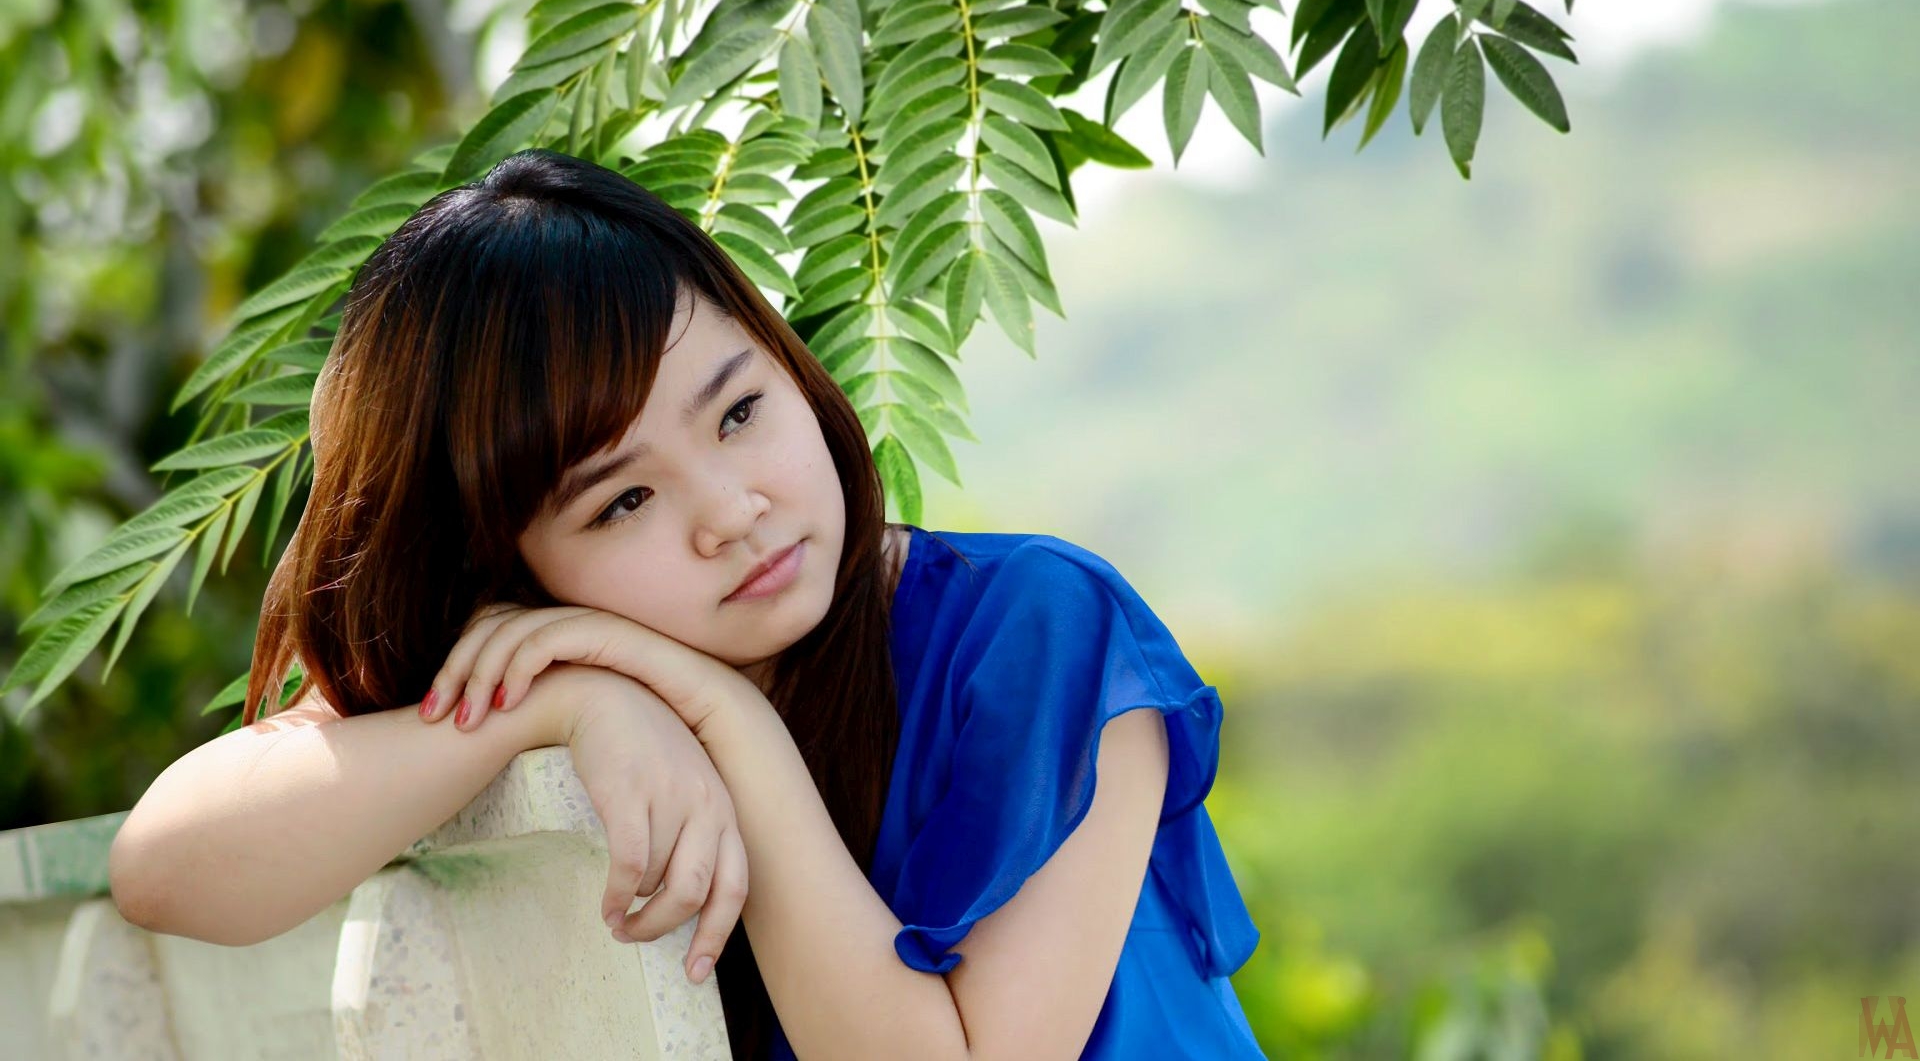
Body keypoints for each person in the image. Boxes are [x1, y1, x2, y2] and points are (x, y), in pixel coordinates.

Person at [107, 148, 1263, 1059]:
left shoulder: (1040, 627)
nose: (731, 510)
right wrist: (549, 711)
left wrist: (725, 721)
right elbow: (167, 867)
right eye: (621, 503)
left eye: (739, 412)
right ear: (514, 567)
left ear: (782, 355)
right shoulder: (563, 658)